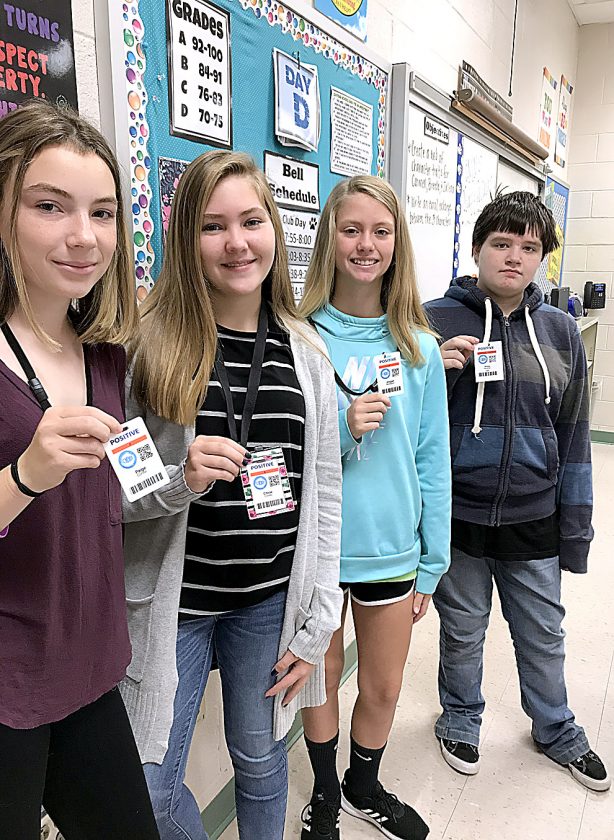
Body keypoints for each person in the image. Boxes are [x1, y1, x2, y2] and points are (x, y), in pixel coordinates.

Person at [119, 150, 343, 840]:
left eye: (251, 221)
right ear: (187, 240)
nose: (237, 243)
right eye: (213, 227)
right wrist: (180, 479)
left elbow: (325, 495)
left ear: (274, 228)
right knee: (148, 791)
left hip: (269, 602)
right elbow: (116, 492)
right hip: (173, 606)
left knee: (262, 760)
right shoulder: (147, 345)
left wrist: (320, 617)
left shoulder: (306, 353)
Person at [0, 101, 160, 839]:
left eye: (101, 212)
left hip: (89, 665)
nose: (83, 236)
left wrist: (186, 474)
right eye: (49, 206)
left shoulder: (107, 351)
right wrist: (25, 473)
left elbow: (121, 494)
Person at [424, 190, 610, 792]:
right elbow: (405, 426)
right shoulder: (431, 320)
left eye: (529, 248)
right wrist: (433, 371)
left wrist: (575, 530)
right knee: (463, 628)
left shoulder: (559, 330)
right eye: (501, 244)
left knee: (542, 631)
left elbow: (574, 434)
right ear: (477, 248)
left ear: (542, 258)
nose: (513, 258)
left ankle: (556, 728)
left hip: (534, 514)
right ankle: (459, 717)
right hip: (459, 513)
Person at [298, 175, 451, 840]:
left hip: (392, 548)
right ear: (329, 238)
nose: (365, 244)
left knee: (383, 686)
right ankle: (324, 794)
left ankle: (363, 786)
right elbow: (281, 449)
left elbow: (432, 458)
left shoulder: (417, 346)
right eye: (351, 229)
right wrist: (342, 427)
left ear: (397, 243)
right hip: (317, 548)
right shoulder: (300, 337)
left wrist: (434, 560)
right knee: (320, 678)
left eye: (380, 231)